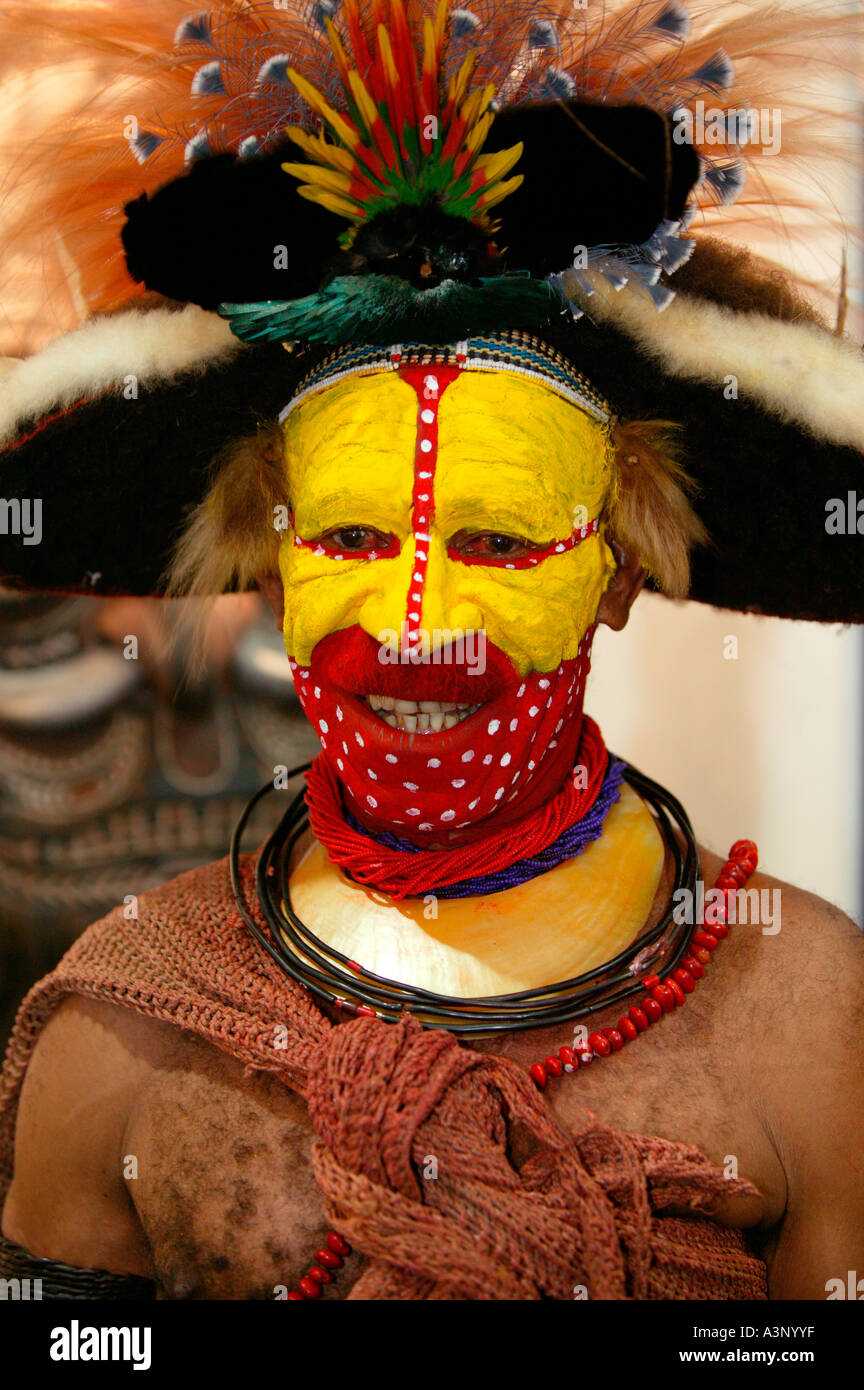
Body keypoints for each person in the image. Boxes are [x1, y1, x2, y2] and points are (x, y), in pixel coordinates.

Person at [0, 0, 862, 1301]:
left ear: (619, 571)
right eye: (346, 536)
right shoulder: (123, 1028)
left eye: (505, 544)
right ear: (268, 559)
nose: (412, 628)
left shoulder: (810, 1019)